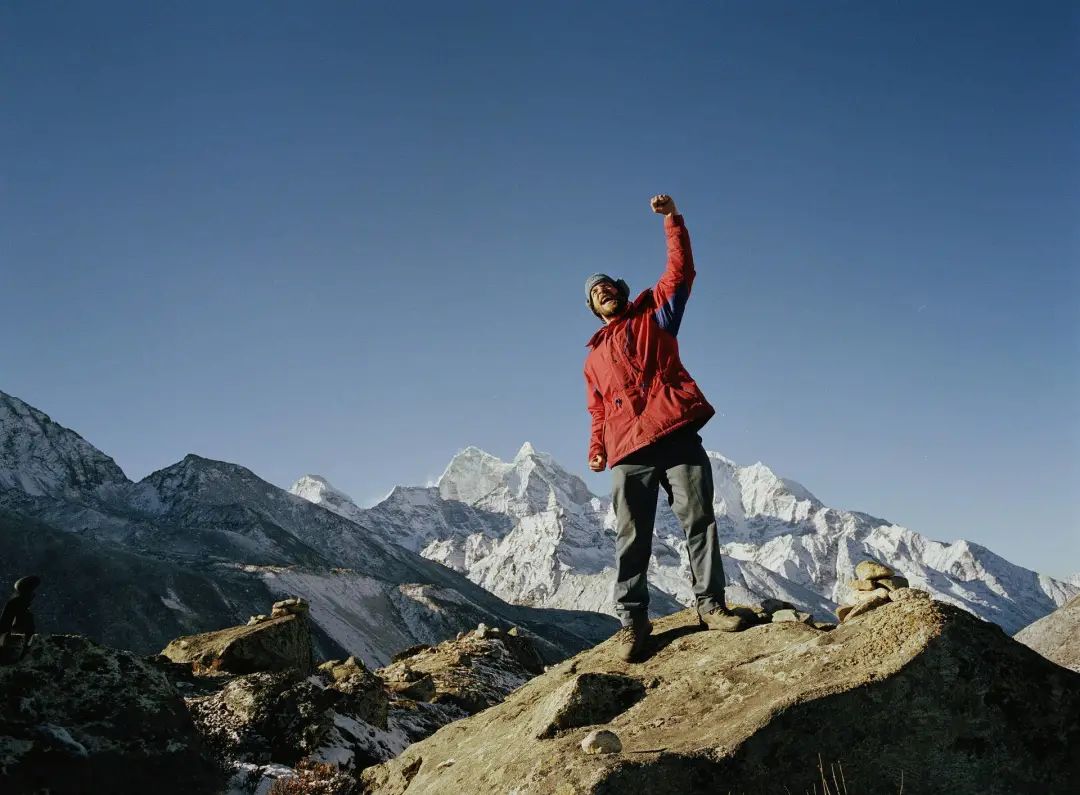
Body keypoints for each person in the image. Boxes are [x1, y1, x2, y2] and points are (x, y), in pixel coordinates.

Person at [583, 194, 744, 663]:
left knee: (699, 520)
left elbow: (681, 271)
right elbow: (597, 411)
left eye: (607, 286)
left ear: (621, 290)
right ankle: (633, 621)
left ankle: (710, 606)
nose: (603, 293)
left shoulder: (655, 314)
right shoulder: (593, 359)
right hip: (628, 450)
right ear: (593, 309)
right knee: (631, 536)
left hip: (674, 431)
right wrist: (597, 447)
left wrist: (672, 221)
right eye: (595, 294)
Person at [0, 575, 40, 662]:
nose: (34, 595)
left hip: (17, 641)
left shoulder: (18, 605)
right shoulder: (15, 604)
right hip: (12, 643)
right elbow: (4, 626)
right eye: (31, 592)